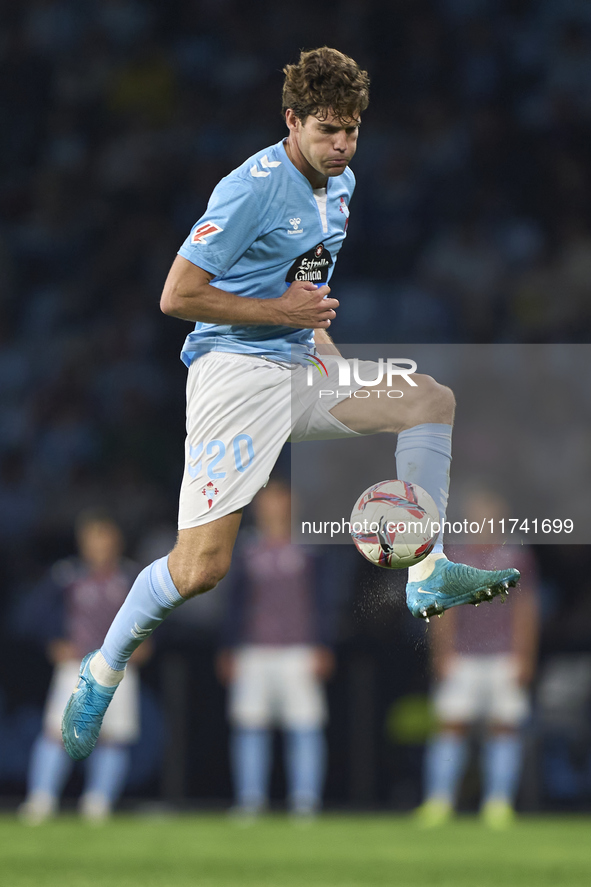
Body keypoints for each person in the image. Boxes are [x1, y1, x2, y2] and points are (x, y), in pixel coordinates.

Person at [62, 47, 519, 763]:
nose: (341, 144)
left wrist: (327, 356)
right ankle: (101, 669)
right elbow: (176, 295)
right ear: (292, 120)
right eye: (327, 130)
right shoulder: (251, 187)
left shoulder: (342, 185)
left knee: (428, 398)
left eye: (352, 131)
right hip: (235, 376)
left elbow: (307, 295)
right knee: (199, 570)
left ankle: (425, 574)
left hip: (297, 365)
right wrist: (279, 312)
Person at [415, 490, 540, 829]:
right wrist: (442, 653)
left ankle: (498, 804)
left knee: (504, 728)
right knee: (450, 726)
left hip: (504, 656)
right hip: (463, 656)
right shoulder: (453, 555)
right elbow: (443, 609)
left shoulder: (516, 555)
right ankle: (439, 801)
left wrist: (524, 655)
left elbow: (525, 610)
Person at [19, 511, 150, 823]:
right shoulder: (66, 575)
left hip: (119, 665)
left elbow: (155, 612)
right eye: (93, 540)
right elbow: (35, 615)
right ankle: (41, 798)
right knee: (57, 731)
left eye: (105, 539)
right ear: (83, 543)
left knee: (113, 735)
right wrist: (53, 641)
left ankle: (98, 802)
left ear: (116, 542)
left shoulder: (131, 577)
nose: (99, 547)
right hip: (75, 665)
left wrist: (148, 642)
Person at [216, 479, 336, 818]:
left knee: (306, 725)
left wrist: (323, 645)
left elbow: (324, 601)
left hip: (300, 650)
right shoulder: (245, 549)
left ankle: (305, 802)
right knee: (250, 725)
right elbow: (232, 604)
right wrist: (228, 647)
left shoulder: (310, 549)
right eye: (268, 501)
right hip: (253, 650)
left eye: (281, 501)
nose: (274, 508)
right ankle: (250, 801)